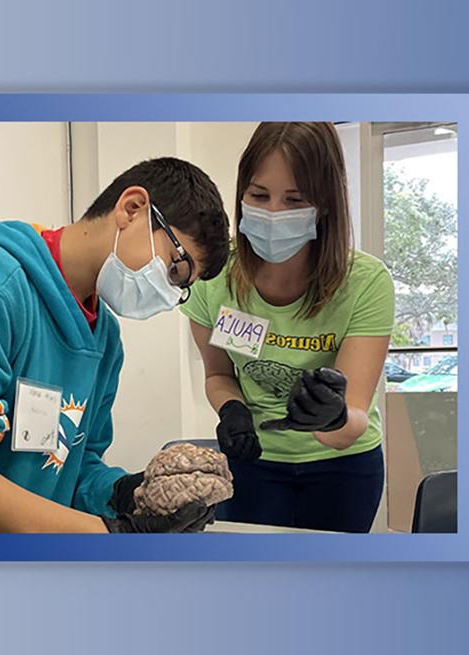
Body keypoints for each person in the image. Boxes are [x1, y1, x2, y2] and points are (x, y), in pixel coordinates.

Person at [0, 158, 232, 533]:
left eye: (181, 286)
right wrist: (113, 535)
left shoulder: (104, 339)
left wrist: (125, 493)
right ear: (132, 208)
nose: (168, 291)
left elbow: (74, 467)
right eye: (175, 268)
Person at [183, 122, 394, 533]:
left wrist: (331, 419)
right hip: (254, 462)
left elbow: (353, 419)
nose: (272, 213)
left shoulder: (366, 283)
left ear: (326, 204)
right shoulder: (212, 275)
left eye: (294, 199)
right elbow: (218, 374)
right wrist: (232, 410)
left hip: (341, 468)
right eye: (259, 195)